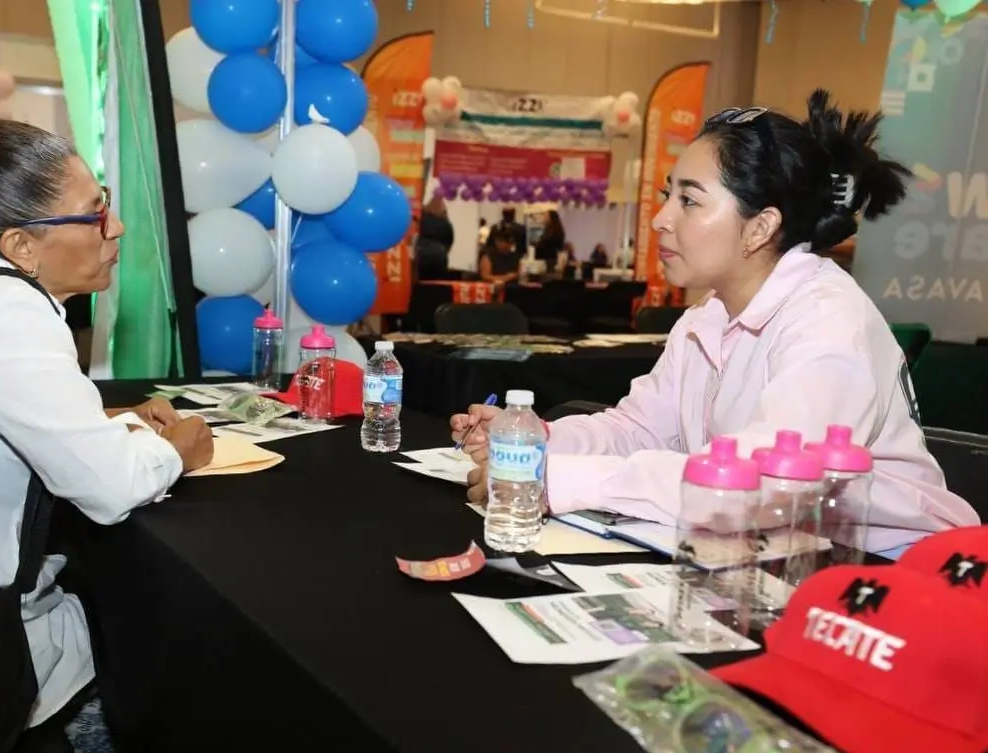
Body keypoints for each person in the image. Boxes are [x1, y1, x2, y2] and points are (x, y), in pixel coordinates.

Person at [452, 90, 979, 551]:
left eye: (689, 200)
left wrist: (561, 480)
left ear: (760, 227)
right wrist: (538, 442)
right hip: (771, 552)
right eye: (668, 195)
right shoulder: (710, 314)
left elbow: (762, 482)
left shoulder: (827, 323)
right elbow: (639, 428)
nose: (661, 218)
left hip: (884, 570)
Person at [0, 90, 215, 732]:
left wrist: (119, 424)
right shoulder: (11, 313)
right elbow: (111, 486)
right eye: (93, 215)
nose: (114, 229)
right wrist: (182, 448)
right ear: (22, 247)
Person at [414, 195, 456, 281]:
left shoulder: (421, 219)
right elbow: (449, 241)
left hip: (420, 254)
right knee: (436, 284)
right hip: (439, 256)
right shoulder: (446, 224)